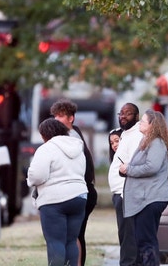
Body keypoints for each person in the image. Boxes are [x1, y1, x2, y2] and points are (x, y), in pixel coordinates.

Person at [27, 118, 88, 266]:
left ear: (44, 135)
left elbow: (37, 175)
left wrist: (30, 180)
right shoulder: (78, 148)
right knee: (71, 241)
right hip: (79, 196)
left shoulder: (46, 148)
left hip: (54, 200)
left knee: (56, 242)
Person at [119, 109, 168, 265]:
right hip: (144, 199)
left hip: (150, 199)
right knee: (143, 240)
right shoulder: (147, 141)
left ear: (152, 125)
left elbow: (152, 167)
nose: (139, 123)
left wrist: (129, 169)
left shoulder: (156, 143)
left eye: (143, 121)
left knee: (146, 241)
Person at [49, 99, 97, 266]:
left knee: (75, 236)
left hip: (81, 191)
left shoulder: (71, 138)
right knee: (74, 235)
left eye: (61, 116)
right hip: (81, 191)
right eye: (55, 116)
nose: (56, 119)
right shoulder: (70, 134)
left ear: (71, 118)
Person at [108, 103, 142, 266]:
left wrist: (124, 193)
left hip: (126, 193)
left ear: (136, 117)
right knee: (125, 236)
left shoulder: (136, 136)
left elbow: (135, 165)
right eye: (120, 113)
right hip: (121, 193)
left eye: (127, 113)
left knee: (129, 237)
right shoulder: (126, 135)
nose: (123, 116)